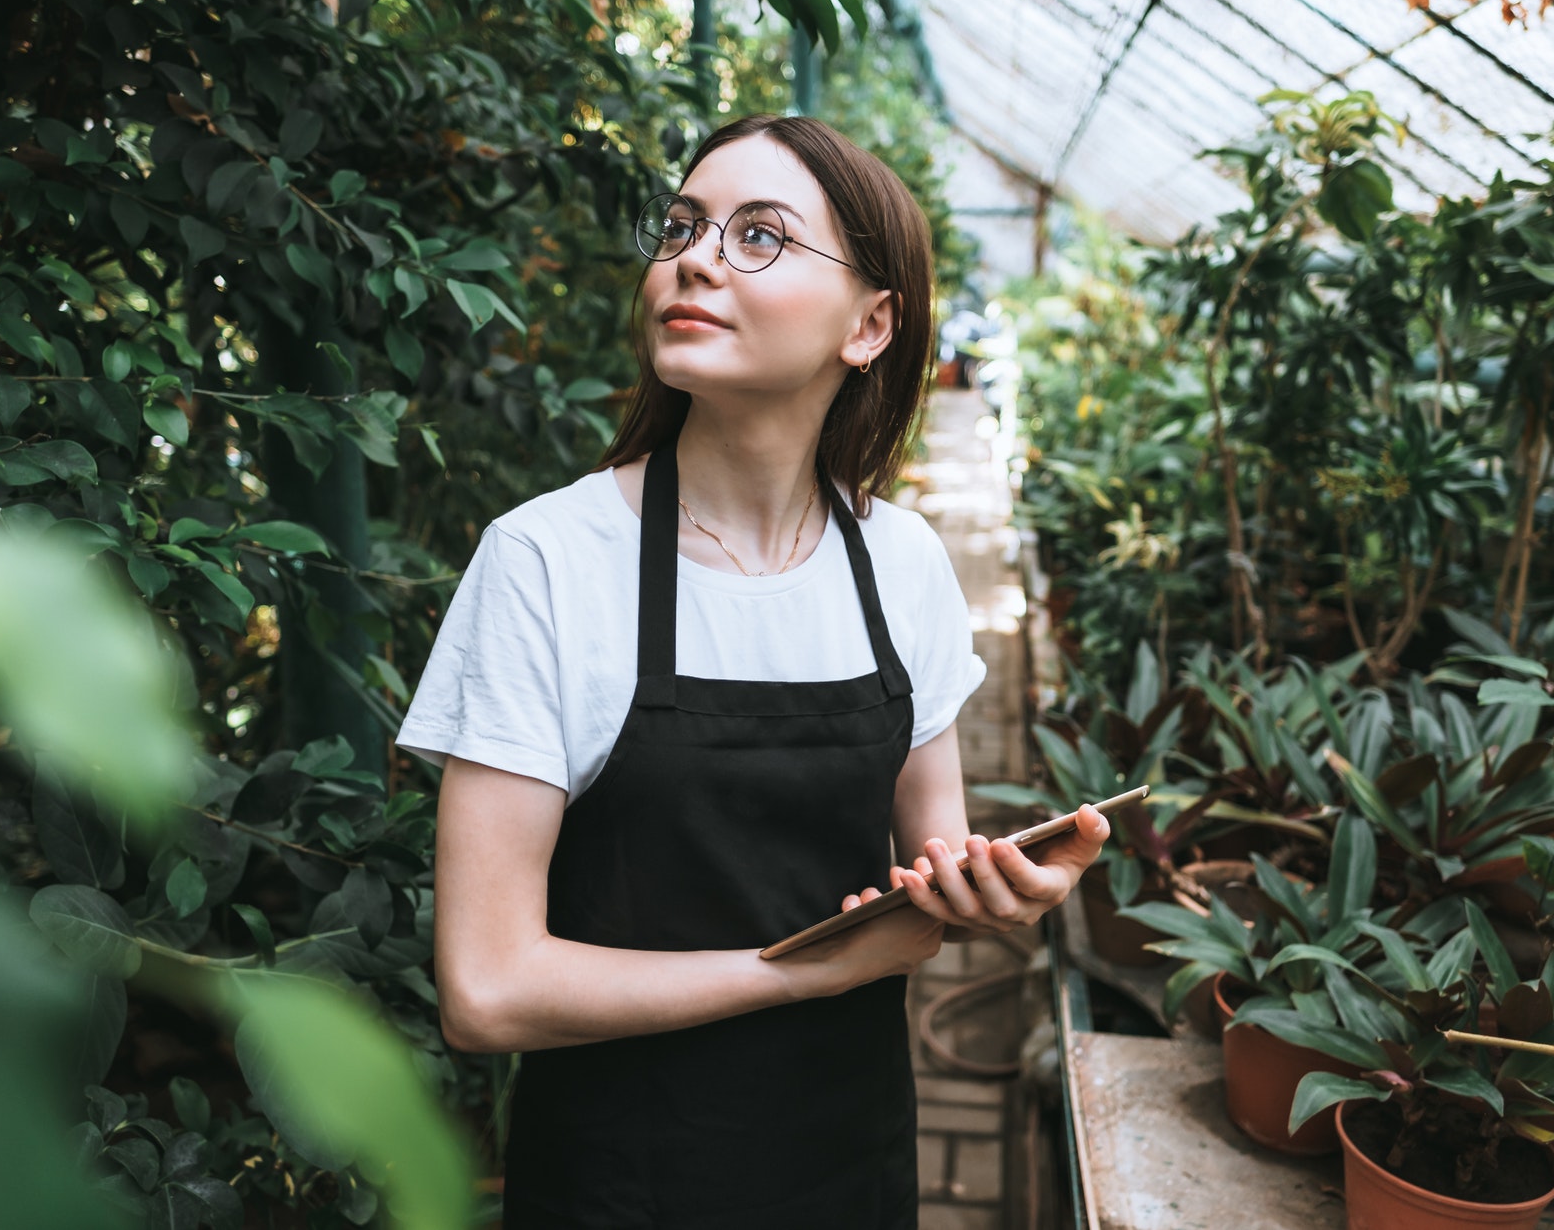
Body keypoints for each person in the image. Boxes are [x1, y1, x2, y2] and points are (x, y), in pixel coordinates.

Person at [397, 114, 1111, 1230]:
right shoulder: (544, 561)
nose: (692, 256)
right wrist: (801, 971)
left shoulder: (904, 563)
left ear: (869, 324)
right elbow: (486, 990)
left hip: (851, 1165)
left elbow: (925, 870)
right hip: (620, 1188)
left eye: (758, 236)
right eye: (681, 226)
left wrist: (989, 893)